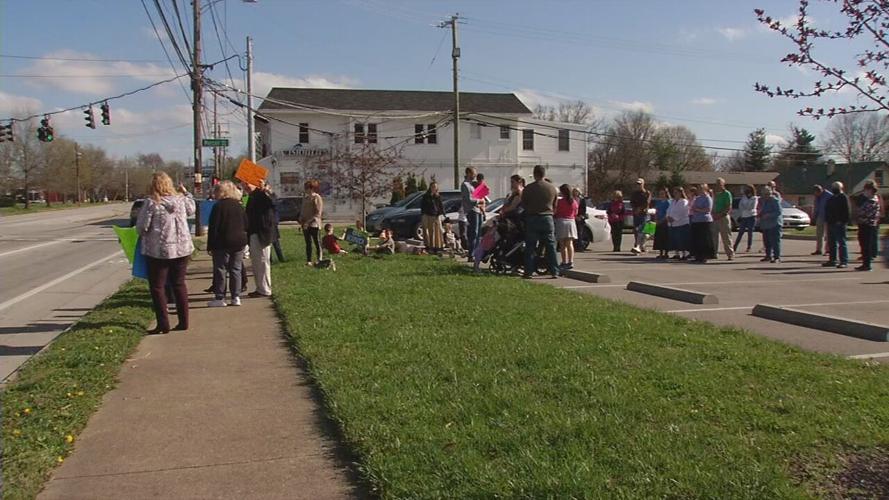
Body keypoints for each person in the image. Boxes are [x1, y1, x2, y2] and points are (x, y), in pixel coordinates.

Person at [136, 172, 195, 334]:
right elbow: (192, 208)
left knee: (158, 287)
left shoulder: (151, 203)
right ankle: (183, 321)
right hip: (182, 249)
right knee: (179, 284)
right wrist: (186, 192)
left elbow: (142, 227)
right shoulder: (181, 201)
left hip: (158, 250)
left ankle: (163, 324)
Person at [207, 181, 248, 308]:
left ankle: (220, 297)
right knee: (236, 269)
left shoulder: (218, 207)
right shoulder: (239, 206)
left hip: (222, 242)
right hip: (239, 241)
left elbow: (214, 227)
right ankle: (236, 296)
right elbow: (246, 223)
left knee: (221, 269)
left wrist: (210, 245)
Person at [520, 165, 560, 278]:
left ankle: (528, 271)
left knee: (530, 246)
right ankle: (554, 271)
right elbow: (555, 205)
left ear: (534, 174)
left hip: (533, 218)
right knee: (551, 246)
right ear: (544, 174)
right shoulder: (552, 188)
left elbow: (524, 204)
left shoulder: (529, 188)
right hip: (547, 218)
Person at [245, 180, 275, 297]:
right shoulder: (251, 196)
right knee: (257, 263)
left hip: (262, 233)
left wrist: (266, 191)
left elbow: (273, 203)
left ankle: (265, 289)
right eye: (244, 184)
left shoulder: (263, 194)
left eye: (248, 183)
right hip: (254, 232)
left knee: (262, 261)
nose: (246, 186)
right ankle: (260, 287)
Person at [854, 180, 882, 271]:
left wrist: (860, 214)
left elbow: (865, 212)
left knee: (866, 245)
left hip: (868, 225)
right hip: (863, 224)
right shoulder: (867, 199)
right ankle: (865, 263)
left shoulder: (873, 200)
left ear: (871, 190)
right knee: (863, 244)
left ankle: (867, 264)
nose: (865, 191)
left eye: (866, 189)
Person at [823, 181, 850, 268]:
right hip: (831, 223)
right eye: (833, 187)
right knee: (832, 243)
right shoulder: (832, 198)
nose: (834, 189)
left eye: (836, 187)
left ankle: (844, 261)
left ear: (840, 188)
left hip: (839, 223)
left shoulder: (843, 197)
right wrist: (827, 220)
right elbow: (827, 209)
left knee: (841, 242)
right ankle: (832, 260)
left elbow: (846, 211)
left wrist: (842, 221)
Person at [554, 184, 579, 269]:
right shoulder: (574, 202)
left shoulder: (560, 202)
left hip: (561, 221)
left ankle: (564, 261)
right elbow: (576, 213)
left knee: (562, 244)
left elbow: (555, 211)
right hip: (571, 222)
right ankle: (571, 261)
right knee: (570, 243)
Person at [300, 179, 324, 265]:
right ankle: (309, 260)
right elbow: (303, 210)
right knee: (308, 243)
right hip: (305, 224)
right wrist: (301, 219)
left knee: (317, 242)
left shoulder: (317, 197)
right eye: (305, 187)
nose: (306, 189)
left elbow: (318, 213)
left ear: (312, 188)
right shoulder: (305, 198)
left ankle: (319, 259)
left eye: (307, 188)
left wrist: (309, 221)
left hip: (314, 224)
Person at [689, 184, 715, 263]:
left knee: (704, 240)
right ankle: (697, 256)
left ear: (705, 189)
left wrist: (698, 209)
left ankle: (705, 256)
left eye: (701, 188)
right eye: (699, 188)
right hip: (696, 220)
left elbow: (708, 209)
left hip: (705, 221)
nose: (699, 190)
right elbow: (693, 207)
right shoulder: (697, 198)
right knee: (697, 239)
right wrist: (697, 209)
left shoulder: (708, 198)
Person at [460, 167, 482, 259]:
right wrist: (479, 200)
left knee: (478, 233)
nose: (475, 175)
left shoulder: (472, 184)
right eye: (473, 173)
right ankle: (471, 254)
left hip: (478, 210)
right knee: (473, 233)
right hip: (472, 210)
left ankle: (476, 253)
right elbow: (469, 199)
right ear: (468, 173)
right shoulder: (465, 185)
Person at [710, 178, 734, 260]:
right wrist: (713, 214)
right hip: (714, 217)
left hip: (723, 217)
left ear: (723, 184)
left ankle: (730, 253)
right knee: (714, 237)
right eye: (716, 184)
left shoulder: (727, 193)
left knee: (726, 237)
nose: (718, 186)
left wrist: (720, 214)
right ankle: (714, 253)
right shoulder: (714, 194)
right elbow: (712, 205)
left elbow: (728, 206)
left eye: (719, 184)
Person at [759, 186, 784, 263]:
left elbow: (778, 212)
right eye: (763, 194)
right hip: (766, 225)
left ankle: (777, 257)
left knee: (775, 241)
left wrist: (768, 215)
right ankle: (768, 256)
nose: (764, 196)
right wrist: (760, 214)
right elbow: (763, 210)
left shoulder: (775, 201)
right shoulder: (764, 201)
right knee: (767, 241)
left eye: (765, 194)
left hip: (775, 224)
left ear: (769, 194)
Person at [666, 186, 690, 260]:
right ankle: (677, 254)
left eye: (676, 192)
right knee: (675, 239)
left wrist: (674, 218)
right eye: (674, 192)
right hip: (672, 224)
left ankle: (684, 254)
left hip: (681, 223)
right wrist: (668, 217)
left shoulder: (684, 201)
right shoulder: (673, 201)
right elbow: (668, 210)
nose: (674, 194)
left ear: (680, 193)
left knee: (682, 240)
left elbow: (682, 211)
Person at [420, 181, 445, 252]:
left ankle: (437, 246)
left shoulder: (438, 196)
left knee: (436, 231)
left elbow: (441, 206)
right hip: (427, 215)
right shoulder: (426, 196)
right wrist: (423, 214)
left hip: (435, 215)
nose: (434, 188)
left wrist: (442, 213)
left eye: (435, 187)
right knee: (428, 231)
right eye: (433, 187)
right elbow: (423, 206)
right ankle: (429, 246)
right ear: (430, 187)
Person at [733, 185, 757, 254]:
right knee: (741, 232)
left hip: (751, 216)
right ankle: (735, 246)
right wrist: (744, 208)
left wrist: (745, 206)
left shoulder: (754, 198)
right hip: (744, 216)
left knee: (750, 232)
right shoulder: (744, 197)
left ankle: (749, 246)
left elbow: (751, 207)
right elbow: (740, 205)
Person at [630, 178, 651, 254]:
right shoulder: (634, 193)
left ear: (643, 184)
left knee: (646, 231)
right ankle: (637, 245)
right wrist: (635, 209)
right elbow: (632, 202)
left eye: (640, 184)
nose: (638, 185)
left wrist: (640, 208)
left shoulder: (647, 193)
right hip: (636, 214)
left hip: (644, 214)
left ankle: (642, 246)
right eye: (637, 184)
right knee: (636, 230)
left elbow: (647, 202)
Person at [812, 184, 832, 256]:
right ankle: (818, 249)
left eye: (816, 192)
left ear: (820, 190)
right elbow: (816, 207)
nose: (816, 194)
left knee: (828, 234)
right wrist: (814, 216)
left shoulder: (829, 195)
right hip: (820, 217)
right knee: (819, 234)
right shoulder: (816, 197)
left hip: (828, 217)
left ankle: (828, 250)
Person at [268, 187, 285, 263]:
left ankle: (281, 259)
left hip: (273, 223)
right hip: (267, 223)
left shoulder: (273, 197)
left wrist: (270, 193)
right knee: (268, 244)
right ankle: (270, 260)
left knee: (276, 243)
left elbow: (274, 204)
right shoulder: (263, 197)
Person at [652, 188, 671, 260]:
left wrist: (662, 220)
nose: (661, 195)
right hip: (658, 222)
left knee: (665, 238)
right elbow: (656, 211)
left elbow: (668, 213)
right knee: (659, 237)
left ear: (666, 194)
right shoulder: (658, 202)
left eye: (662, 193)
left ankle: (666, 253)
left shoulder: (668, 202)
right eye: (660, 193)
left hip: (665, 222)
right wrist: (656, 219)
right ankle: (660, 253)